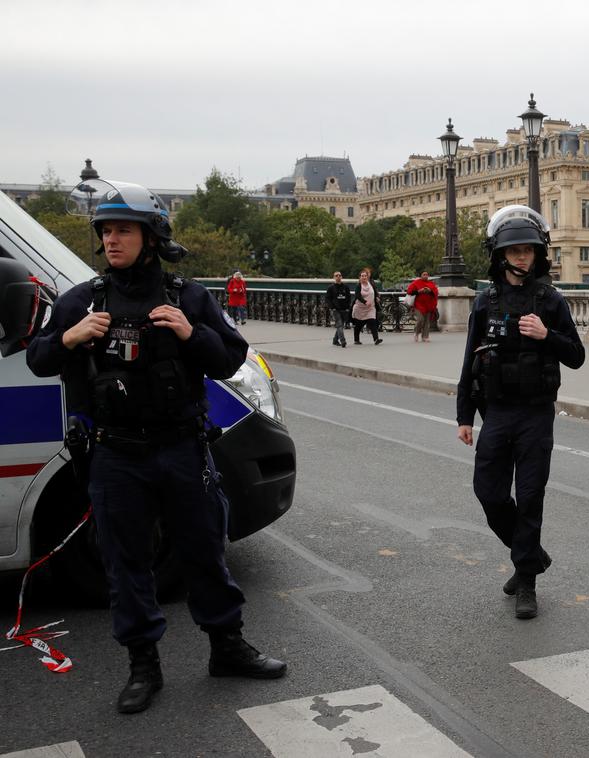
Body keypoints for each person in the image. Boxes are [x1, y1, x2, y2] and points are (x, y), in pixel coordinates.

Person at [26, 179, 285, 715]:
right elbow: (39, 358)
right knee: (126, 563)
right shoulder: (82, 300)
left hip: (183, 449)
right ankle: (144, 665)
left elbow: (230, 360)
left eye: (123, 229)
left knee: (204, 553)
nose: (112, 240)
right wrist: (69, 338)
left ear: (152, 235)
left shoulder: (188, 296)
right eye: (105, 231)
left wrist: (192, 333)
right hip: (116, 455)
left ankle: (227, 648)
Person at [455, 205, 585, 620]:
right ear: (500, 255)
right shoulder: (485, 301)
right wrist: (464, 416)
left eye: (528, 250)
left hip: (535, 414)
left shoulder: (551, 300)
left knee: (529, 498)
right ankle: (531, 556)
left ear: (539, 253)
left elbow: (578, 355)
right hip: (496, 413)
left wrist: (548, 336)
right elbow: (468, 362)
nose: (522, 257)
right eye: (514, 251)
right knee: (489, 494)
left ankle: (526, 581)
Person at [351, 267, 382, 345]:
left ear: (367, 277)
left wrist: (377, 297)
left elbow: (375, 291)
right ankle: (356, 339)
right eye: (362, 276)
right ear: (360, 277)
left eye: (365, 276)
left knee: (373, 322)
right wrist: (365, 302)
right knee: (359, 325)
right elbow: (357, 296)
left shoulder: (371, 284)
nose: (364, 277)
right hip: (360, 308)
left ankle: (376, 339)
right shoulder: (359, 286)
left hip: (371, 308)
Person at [406, 271, 439, 343]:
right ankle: (416, 333)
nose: (426, 276)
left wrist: (430, 290)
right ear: (421, 275)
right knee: (420, 319)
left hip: (428, 305)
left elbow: (435, 292)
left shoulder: (431, 284)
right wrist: (419, 291)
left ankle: (425, 336)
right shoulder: (416, 283)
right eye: (424, 274)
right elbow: (409, 292)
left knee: (427, 321)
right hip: (418, 305)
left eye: (427, 274)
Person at [325, 271, 351, 348]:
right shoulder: (331, 288)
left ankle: (335, 340)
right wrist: (332, 307)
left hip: (344, 309)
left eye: (339, 275)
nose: (338, 277)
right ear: (334, 277)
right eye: (336, 275)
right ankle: (343, 341)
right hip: (336, 309)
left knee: (341, 325)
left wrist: (348, 307)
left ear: (341, 277)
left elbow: (349, 297)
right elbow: (328, 298)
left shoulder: (346, 287)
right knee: (339, 325)